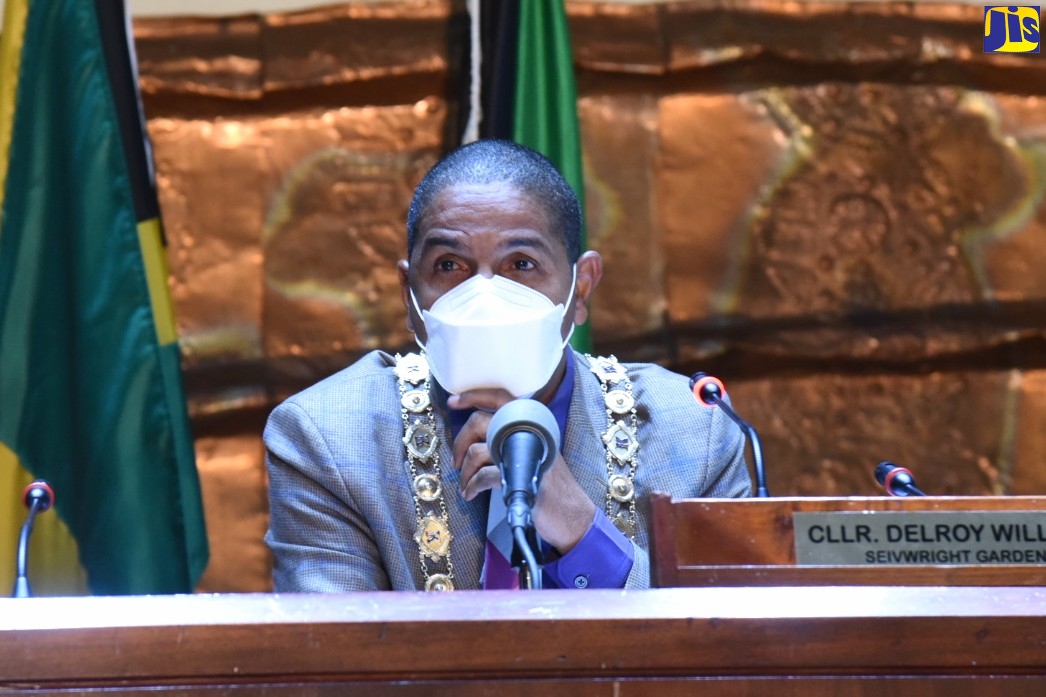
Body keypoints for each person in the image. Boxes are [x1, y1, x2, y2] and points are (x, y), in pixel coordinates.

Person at [264, 139, 751, 592]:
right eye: (449, 266)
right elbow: (339, 661)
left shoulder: (693, 428)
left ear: (581, 289)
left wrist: (581, 531)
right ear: (409, 296)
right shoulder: (326, 436)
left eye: (521, 265)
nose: (485, 296)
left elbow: (730, 640)